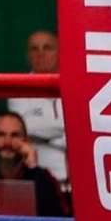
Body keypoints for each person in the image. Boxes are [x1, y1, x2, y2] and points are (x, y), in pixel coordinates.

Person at [0, 111, 66, 217]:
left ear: (26, 141)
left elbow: (55, 218)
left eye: (15, 135)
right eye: (1, 135)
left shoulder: (43, 177)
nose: (7, 142)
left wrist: (33, 167)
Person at [9, 29, 67, 195]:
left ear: (59, 52)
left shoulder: (75, 86)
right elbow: (24, 130)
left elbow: (82, 131)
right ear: (27, 55)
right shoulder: (18, 89)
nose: (40, 54)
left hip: (76, 182)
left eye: (47, 47)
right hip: (39, 183)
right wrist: (65, 134)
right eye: (34, 49)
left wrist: (43, 137)